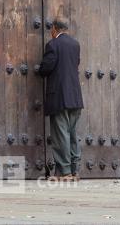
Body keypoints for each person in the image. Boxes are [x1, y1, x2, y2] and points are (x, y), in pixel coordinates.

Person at [38, 17, 84, 182]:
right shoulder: (75, 44)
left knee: (60, 134)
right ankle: (75, 170)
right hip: (75, 97)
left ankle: (64, 172)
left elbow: (47, 67)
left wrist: (41, 69)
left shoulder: (53, 45)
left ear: (54, 29)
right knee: (72, 134)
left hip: (59, 97)